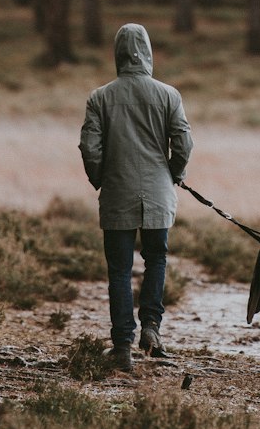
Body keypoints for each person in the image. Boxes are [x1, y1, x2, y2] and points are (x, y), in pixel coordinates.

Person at [79, 23, 193, 372]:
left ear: (117, 53)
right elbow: (184, 143)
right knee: (156, 258)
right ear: (148, 52)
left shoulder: (100, 97)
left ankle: (123, 345)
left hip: (117, 192)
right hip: (159, 192)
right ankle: (152, 329)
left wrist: (100, 179)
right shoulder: (169, 95)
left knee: (119, 270)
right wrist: (173, 173)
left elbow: (89, 148)